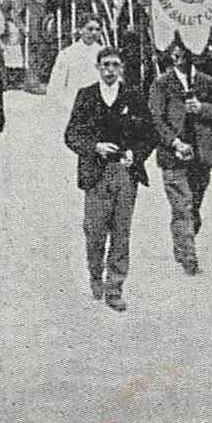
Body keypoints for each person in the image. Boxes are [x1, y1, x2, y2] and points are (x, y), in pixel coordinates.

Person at [64, 45, 154, 310]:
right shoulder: (87, 96)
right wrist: (94, 147)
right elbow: (71, 135)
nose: (110, 70)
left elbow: (149, 134)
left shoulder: (133, 97)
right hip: (96, 174)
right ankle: (95, 275)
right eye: (105, 65)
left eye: (115, 65)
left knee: (121, 231)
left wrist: (134, 156)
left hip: (125, 173)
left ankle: (114, 288)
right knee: (94, 230)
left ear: (122, 68)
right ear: (97, 68)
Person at [149, 40, 212, 275]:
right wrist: (175, 142)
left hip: (201, 156)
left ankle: (182, 242)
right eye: (175, 54)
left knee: (194, 207)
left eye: (185, 54)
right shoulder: (161, 84)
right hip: (174, 156)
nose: (179, 58)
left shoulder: (206, 82)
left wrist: (200, 108)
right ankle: (189, 258)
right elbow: (157, 119)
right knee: (183, 205)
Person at [47, 15, 104, 105]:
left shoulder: (104, 54)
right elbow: (55, 87)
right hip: (72, 105)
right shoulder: (67, 54)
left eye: (98, 30)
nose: (94, 33)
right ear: (80, 30)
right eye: (90, 29)